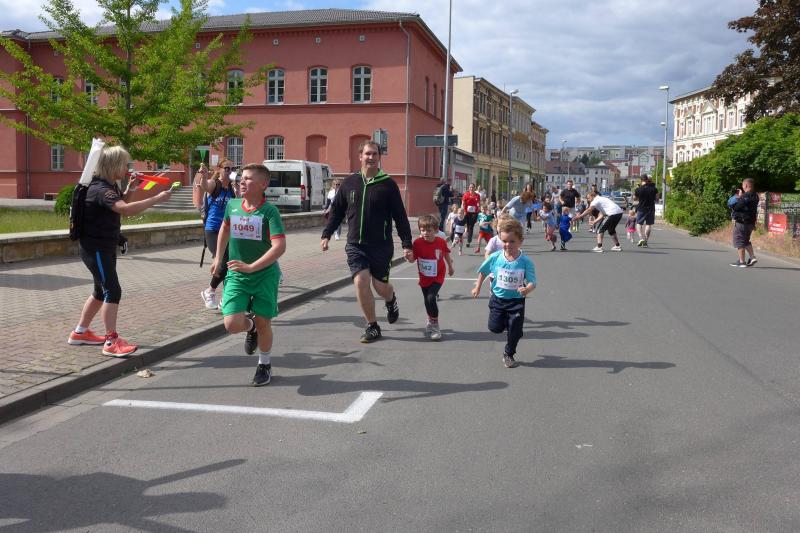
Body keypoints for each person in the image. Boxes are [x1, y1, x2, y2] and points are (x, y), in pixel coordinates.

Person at [67, 145, 173, 356]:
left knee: (100, 291)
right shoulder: (101, 190)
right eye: (125, 164)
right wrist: (156, 199)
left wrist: (131, 188)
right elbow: (125, 209)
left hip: (103, 246)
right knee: (112, 290)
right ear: (113, 165)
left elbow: (121, 204)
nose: (127, 168)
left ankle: (80, 332)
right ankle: (111, 341)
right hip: (96, 248)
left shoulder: (109, 186)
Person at [320, 140, 414, 343]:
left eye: (374, 154)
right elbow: (337, 211)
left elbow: (400, 216)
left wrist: (407, 244)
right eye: (367, 154)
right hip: (356, 244)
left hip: (381, 245)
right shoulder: (350, 182)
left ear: (379, 157)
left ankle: (390, 299)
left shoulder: (388, 184)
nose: (370, 157)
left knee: (381, 287)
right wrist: (326, 234)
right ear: (360, 156)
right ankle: (372, 326)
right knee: (360, 281)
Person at [213, 163, 286, 386]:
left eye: (248, 179)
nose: (242, 182)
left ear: (263, 184)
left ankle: (264, 364)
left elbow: (279, 246)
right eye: (241, 178)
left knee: (264, 322)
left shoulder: (269, 212)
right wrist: (218, 258)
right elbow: (225, 228)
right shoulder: (233, 205)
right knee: (232, 323)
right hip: (238, 274)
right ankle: (250, 328)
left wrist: (252, 267)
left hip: (264, 275)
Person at [471, 217, 536, 368]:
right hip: (498, 299)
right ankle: (510, 325)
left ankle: (509, 353)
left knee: (515, 331)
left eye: (512, 241)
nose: (508, 245)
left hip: (516, 301)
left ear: (520, 241)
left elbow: (533, 281)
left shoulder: (526, 261)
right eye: (504, 241)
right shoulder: (495, 257)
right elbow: (483, 271)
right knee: (495, 328)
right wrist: (477, 287)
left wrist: (527, 289)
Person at [197, 159, 236, 310]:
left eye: (232, 169)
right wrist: (204, 176)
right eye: (227, 168)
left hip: (227, 231)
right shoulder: (216, 184)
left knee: (232, 263)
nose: (229, 171)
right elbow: (205, 186)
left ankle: (225, 296)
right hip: (213, 230)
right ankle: (210, 291)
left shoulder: (232, 188)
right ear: (219, 169)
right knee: (223, 261)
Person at [408, 215, 454, 341]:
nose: (425, 233)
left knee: (431, 297)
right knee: (426, 300)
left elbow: (446, 254)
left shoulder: (440, 242)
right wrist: (408, 257)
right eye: (422, 230)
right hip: (424, 276)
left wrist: (450, 267)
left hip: (438, 275)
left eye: (428, 230)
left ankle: (435, 325)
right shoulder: (417, 243)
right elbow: (413, 259)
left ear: (436, 230)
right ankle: (430, 318)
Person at [729, 178, 759, 267]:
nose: (742, 187)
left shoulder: (746, 196)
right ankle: (752, 257)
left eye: (742, 185)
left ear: (745, 185)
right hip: (750, 223)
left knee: (739, 240)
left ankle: (742, 262)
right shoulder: (755, 195)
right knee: (746, 240)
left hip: (742, 222)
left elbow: (737, 207)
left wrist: (739, 197)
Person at [634, 174, 659, 247]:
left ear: (641, 180)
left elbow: (634, 198)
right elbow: (657, 199)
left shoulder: (638, 189)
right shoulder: (654, 189)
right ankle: (645, 241)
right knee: (648, 224)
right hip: (651, 208)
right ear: (647, 179)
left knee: (639, 224)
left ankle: (641, 238)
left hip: (641, 209)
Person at [461, 183, 482, 247]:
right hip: (467, 212)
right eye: (470, 187)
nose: (471, 188)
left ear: (475, 188)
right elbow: (463, 203)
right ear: (469, 188)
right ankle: (467, 236)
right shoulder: (466, 195)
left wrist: (479, 208)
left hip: (474, 213)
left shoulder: (477, 195)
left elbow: (479, 203)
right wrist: (462, 210)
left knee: (471, 226)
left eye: (473, 187)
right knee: (468, 225)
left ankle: (469, 240)